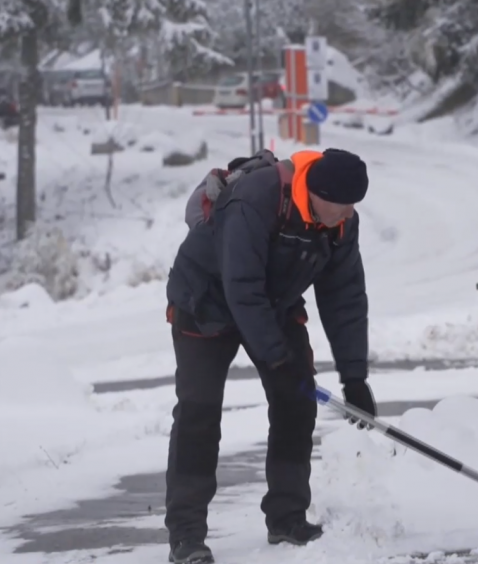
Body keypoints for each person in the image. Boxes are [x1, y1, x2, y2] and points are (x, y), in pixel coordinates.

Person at [162, 148, 377, 564]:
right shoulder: (256, 201)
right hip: (205, 302)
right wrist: (278, 359)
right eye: (341, 205)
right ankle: (186, 536)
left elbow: (345, 298)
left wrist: (355, 377)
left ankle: (286, 517)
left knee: (297, 401)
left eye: (353, 206)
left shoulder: (340, 223)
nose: (346, 214)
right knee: (198, 413)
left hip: (273, 303)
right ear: (315, 192)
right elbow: (241, 288)